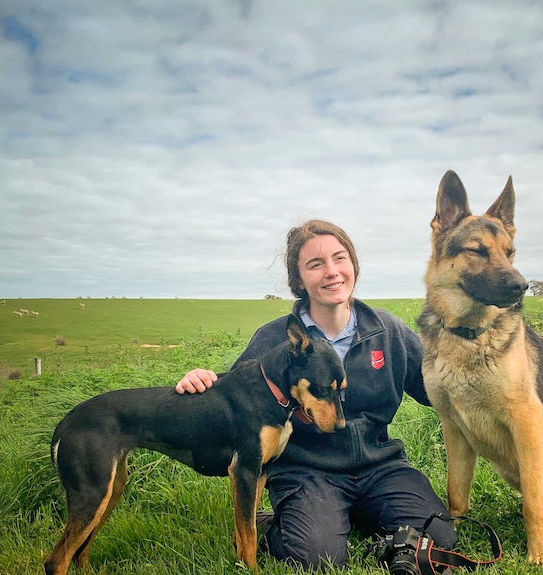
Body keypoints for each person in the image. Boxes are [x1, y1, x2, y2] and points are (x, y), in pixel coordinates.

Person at [175, 219, 457, 570]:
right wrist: (203, 380)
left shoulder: (388, 331)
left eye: (340, 258)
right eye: (315, 264)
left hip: (380, 467)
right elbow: (237, 397)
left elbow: (441, 391)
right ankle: (276, 522)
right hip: (307, 473)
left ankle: (354, 517)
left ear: (353, 264)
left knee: (440, 540)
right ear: (299, 279)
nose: (332, 272)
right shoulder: (274, 338)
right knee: (316, 558)